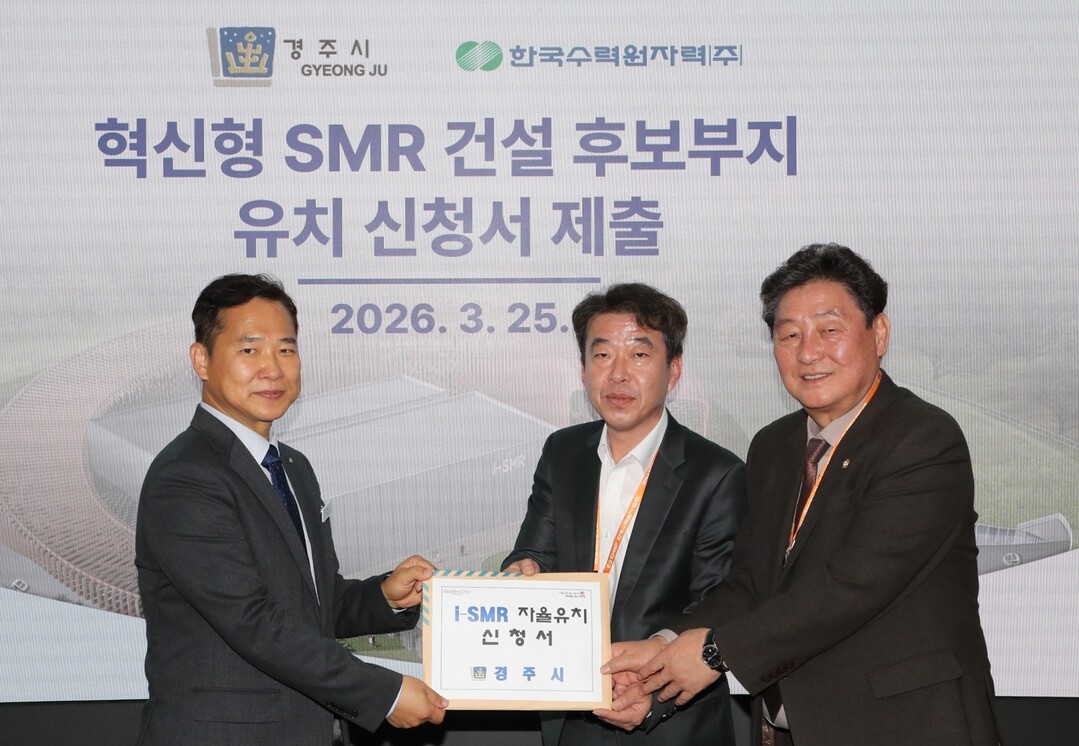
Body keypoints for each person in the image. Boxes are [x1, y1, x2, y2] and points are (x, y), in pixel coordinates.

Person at [606, 245, 1001, 745]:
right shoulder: (774, 446)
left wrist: (713, 653)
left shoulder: (922, 438)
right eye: (789, 334)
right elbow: (750, 584)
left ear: (879, 333)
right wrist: (663, 651)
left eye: (829, 330)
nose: (808, 352)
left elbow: (849, 587)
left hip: (907, 727)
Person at [135, 274, 448, 745]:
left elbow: (311, 604)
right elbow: (253, 621)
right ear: (201, 360)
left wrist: (384, 597)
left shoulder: (292, 467)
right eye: (250, 349)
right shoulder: (186, 476)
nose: (272, 369)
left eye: (286, 349)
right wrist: (382, 694)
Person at [502, 282, 746, 744]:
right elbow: (535, 550)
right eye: (602, 355)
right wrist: (523, 568)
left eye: (638, 355)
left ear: (674, 370)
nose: (618, 375)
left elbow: (719, 603)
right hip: (572, 715)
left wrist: (651, 685)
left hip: (669, 720)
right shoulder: (562, 452)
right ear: (583, 369)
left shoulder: (717, 473)